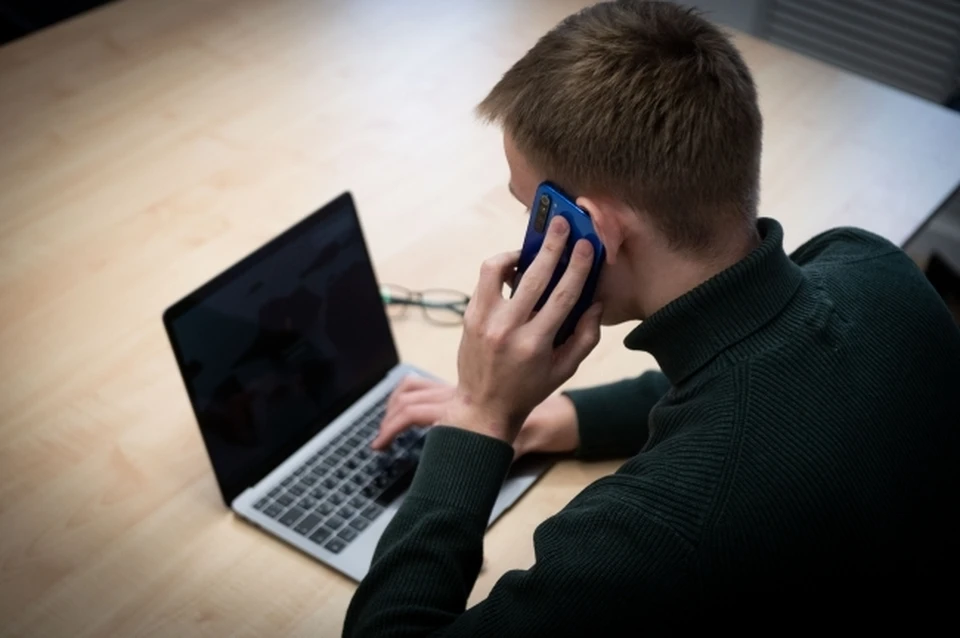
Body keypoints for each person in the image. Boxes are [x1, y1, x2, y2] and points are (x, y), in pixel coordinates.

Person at [343, 1, 960, 634]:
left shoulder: (655, 533)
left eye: (530, 209)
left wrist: (480, 415)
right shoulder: (872, 267)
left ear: (593, 233)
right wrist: (565, 418)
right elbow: (760, 363)